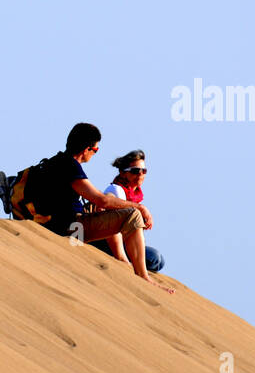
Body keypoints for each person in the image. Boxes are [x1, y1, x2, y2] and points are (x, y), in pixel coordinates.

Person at [35, 123, 170, 292]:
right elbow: (103, 201)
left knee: (155, 257)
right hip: (70, 228)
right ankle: (142, 276)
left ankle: (127, 262)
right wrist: (140, 207)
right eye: (96, 150)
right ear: (86, 149)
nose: (95, 154)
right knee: (133, 215)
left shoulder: (55, 161)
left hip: (57, 223)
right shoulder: (70, 166)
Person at [88, 150, 165, 273]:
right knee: (154, 258)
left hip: (124, 241)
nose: (140, 174)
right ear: (123, 173)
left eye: (143, 171)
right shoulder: (116, 190)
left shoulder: (135, 195)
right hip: (107, 242)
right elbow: (110, 213)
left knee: (159, 260)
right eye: (135, 171)